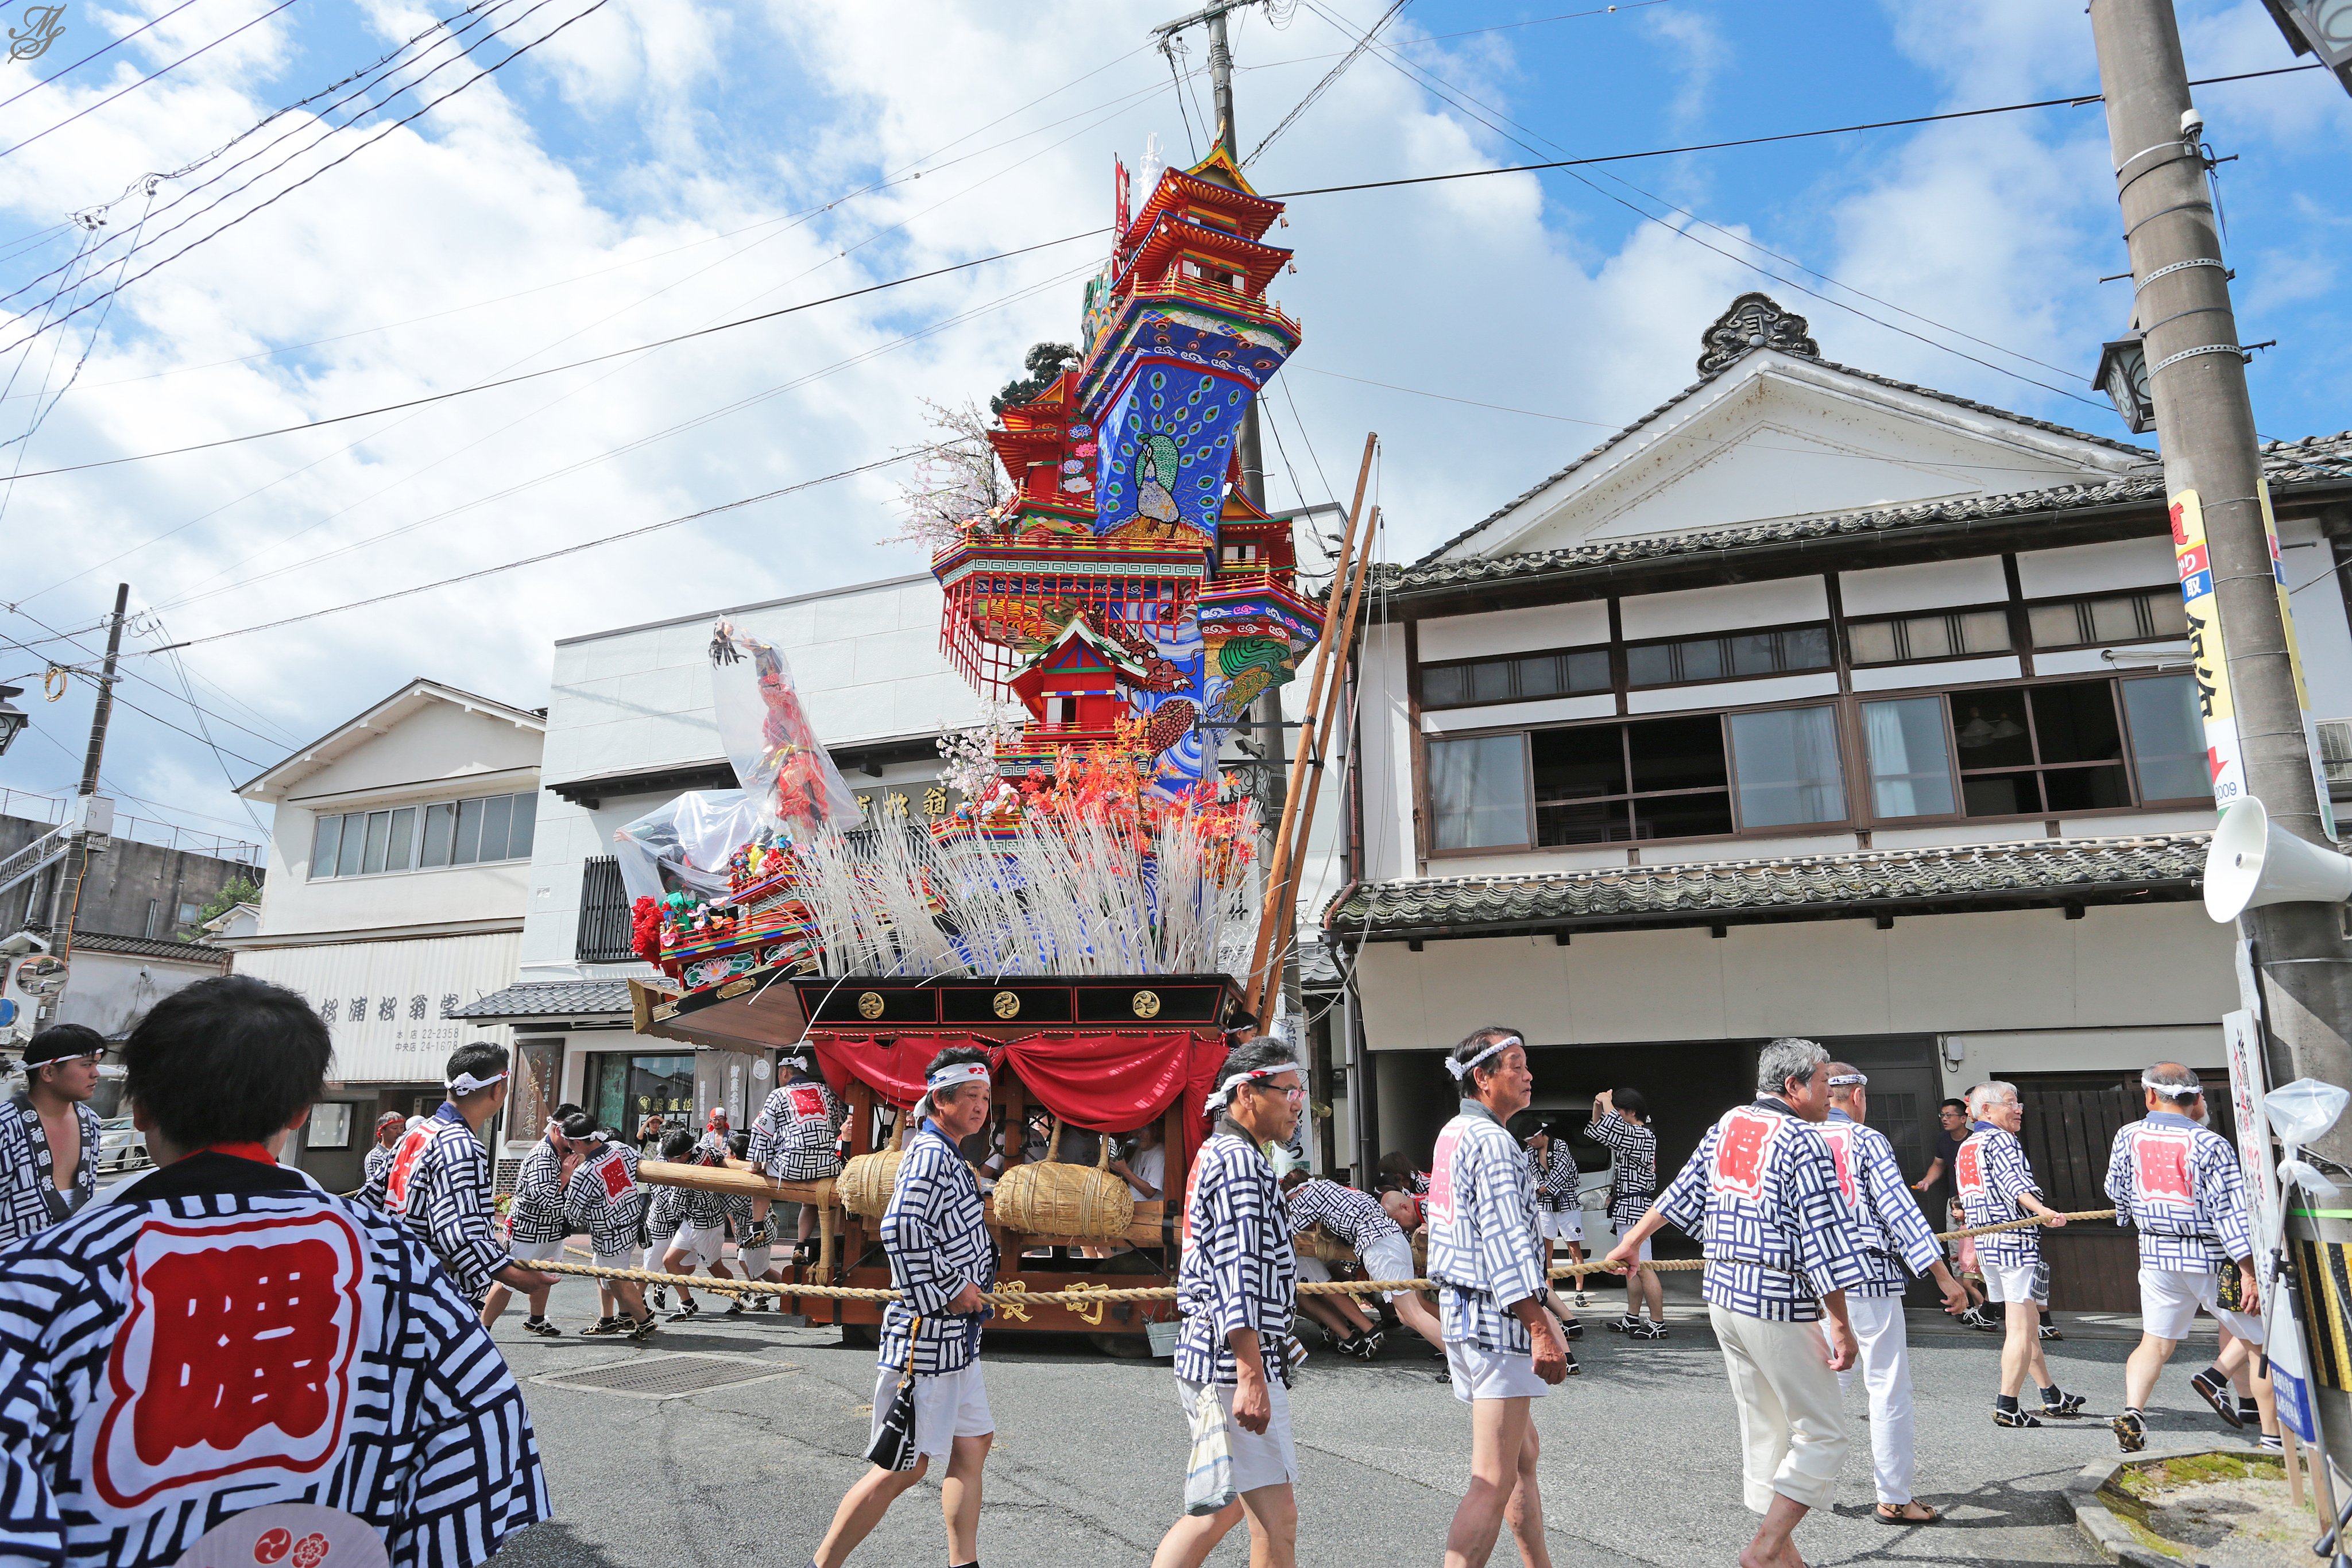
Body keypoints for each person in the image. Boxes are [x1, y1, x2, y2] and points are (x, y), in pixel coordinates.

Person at [0, 973, 547, 1566]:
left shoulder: (45, 1275)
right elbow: (484, 1425)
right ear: (299, 1111)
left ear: (141, 1109)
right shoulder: (394, 1261)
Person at [1608, 1038, 1875, 1568]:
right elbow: (1823, 1240)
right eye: (1825, 1083)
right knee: (1823, 1432)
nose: (1832, 1095)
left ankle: (1784, 1556)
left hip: (1725, 1294)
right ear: (1793, 1086)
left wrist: (1633, 1239)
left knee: (1764, 1424)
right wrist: (1840, 1323)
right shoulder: (1804, 1140)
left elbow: (1682, 1189)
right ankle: (1766, 1548)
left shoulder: (1731, 1121)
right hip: (1776, 1298)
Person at [814, 1046, 997, 1568]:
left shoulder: (948, 1152)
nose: (981, 1106)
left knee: (973, 1443)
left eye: (985, 1097)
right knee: (904, 1465)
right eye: (971, 1096)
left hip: (955, 1337)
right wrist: (951, 1286)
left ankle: (964, 1563)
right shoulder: (931, 1153)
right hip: (928, 1334)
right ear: (940, 1099)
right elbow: (900, 1227)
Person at [1151, 1037, 1304, 1568]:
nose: (1298, 1103)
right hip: (1229, 1358)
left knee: (1224, 1508)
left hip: (1215, 1349)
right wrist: (1251, 1373)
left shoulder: (1223, 1151)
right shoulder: (1240, 1161)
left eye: (1300, 1091)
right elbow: (1237, 1274)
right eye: (1288, 1091)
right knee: (1275, 1517)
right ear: (1247, 1093)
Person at [1424, 1028, 1573, 1568]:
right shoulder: (1492, 1141)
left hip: (1464, 1313)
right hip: (1497, 1317)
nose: (1528, 1074)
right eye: (1515, 1064)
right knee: (1491, 1477)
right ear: (1482, 1078)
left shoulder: (1454, 1132)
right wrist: (1540, 1326)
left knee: (1521, 1454)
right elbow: (1506, 1241)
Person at [1817, 1066, 1972, 1524]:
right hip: (1868, 1275)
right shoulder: (1865, 1140)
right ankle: (1894, 1496)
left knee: (1825, 1382)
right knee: (1887, 1384)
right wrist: (1944, 1276)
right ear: (1857, 1096)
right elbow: (1899, 1211)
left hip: (1815, 1279)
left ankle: (1806, 1486)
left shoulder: (1797, 1138)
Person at [2103, 1063, 2272, 1453]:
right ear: (2196, 1099)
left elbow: (2116, 1190)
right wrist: (2249, 1271)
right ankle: (2272, 1438)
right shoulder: (2211, 1143)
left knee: (2154, 1342)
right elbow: (2230, 1213)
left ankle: (2133, 1411)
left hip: (2156, 1253)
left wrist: (2134, 1214)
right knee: (2262, 1344)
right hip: (2210, 1256)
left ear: (2150, 1095)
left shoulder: (2128, 1135)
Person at [360, 1041, 558, 1324]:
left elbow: (369, 1200)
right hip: (436, 1292)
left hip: (397, 1277)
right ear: (498, 1089)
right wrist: (513, 1275)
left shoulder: (416, 1133)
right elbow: (459, 1232)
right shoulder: (461, 1144)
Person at [1955, 1081, 2081, 1426]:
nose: (2018, 1110)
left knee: (2026, 1322)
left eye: (2018, 1104)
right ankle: (2008, 1405)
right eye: (2011, 1103)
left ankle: (2051, 1395)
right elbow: (2015, 1185)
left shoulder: (1968, 1145)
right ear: (1986, 1110)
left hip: (1988, 1243)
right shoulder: (2001, 1139)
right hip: (2014, 1242)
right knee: (2021, 1329)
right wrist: (2043, 1211)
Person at [1282, 1168, 1442, 1358]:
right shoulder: (1330, 1187)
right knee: (1409, 1313)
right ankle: (1457, 1354)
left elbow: (1285, 1229)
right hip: (1393, 1239)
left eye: (1291, 1199)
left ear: (1299, 1191)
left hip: (1379, 1244)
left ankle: (1458, 1359)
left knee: (1412, 1314)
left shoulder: (1309, 1194)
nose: (1293, 1203)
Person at [1, 1023, 104, 1246]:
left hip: (71, 1253)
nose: (96, 1074)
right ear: (48, 1072)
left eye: (96, 1064)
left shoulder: (91, 1122)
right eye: (87, 1065)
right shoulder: (6, 1125)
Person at [487, 1101, 580, 1338]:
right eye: (572, 1136)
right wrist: (565, 1176)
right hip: (528, 1230)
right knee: (508, 1281)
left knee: (545, 1275)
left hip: (553, 1229)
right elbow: (542, 1197)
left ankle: (537, 1319)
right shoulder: (542, 1155)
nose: (575, 1143)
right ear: (558, 1130)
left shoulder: (566, 1152)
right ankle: (483, 1327)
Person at [749, 1044, 848, 1266]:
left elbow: (761, 1130)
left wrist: (756, 1165)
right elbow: (841, 1121)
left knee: (759, 1178)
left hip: (789, 1166)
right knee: (811, 1200)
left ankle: (757, 1227)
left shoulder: (779, 1094)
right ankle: (800, 1246)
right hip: (826, 1165)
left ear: (785, 1072)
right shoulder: (827, 1092)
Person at [562, 1113, 657, 1342]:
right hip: (631, 1224)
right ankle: (615, 1318)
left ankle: (643, 1321)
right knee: (604, 1273)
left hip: (609, 1234)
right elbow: (639, 1162)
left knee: (619, 1280)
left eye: (568, 1142)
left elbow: (572, 1214)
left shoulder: (584, 1173)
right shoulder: (619, 1149)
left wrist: (566, 1177)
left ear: (577, 1143)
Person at [1588, 1087, 1662, 1337]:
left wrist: (1607, 1101)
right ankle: (1632, 1317)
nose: (1615, 1115)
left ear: (1631, 1112)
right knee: (1631, 1267)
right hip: (1626, 1207)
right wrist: (1598, 1105)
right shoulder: (1629, 1135)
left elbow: (1616, 1128)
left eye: (1618, 1110)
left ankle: (1658, 1323)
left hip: (1637, 1208)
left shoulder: (1643, 1135)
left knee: (1644, 1267)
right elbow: (1599, 1132)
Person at [657, 1129, 737, 1319]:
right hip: (692, 1221)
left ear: (685, 1155)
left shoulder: (688, 1173)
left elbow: (675, 1207)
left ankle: (740, 1296)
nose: (670, 1162)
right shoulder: (704, 1149)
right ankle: (688, 1304)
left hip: (707, 1226)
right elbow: (720, 1156)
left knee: (716, 1269)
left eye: (672, 1159)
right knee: (669, 1261)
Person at [1526, 1122, 1587, 1322]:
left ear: (1540, 1135)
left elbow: (1561, 1174)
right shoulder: (1530, 1152)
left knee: (1574, 1247)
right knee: (1545, 1248)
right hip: (1544, 1204)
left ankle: (1579, 1291)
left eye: (1531, 1140)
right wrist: (1537, 1190)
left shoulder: (1560, 1146)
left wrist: (1539, 1190)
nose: (1530, 1144)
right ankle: (1550, 1291)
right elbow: (1532, 1176)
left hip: (1566, 1201)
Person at [1113, 1119, 1166, 1200]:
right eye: (1139, 1130)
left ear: (1155, 1131)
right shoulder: (1140, 1150)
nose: (1140, 1134)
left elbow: (1150, 1192)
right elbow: (1126, 1171)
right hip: (1131, 1202)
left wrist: (1124, 1170)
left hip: (1147, 1207)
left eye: (1144, 1129)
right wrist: (1115, 1164)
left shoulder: (1159, 1154)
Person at [361, 1110, 407, 1193]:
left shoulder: (405, 1150)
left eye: (402, 1127)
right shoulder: (375, 1156)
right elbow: (375, 1186)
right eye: (395, 1128)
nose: (399, 1132)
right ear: (382, 1131)